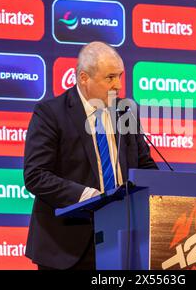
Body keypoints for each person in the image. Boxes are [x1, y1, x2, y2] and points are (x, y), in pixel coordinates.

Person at [23, 41, 158, 270]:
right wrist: (90, 196)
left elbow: (144, 165)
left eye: (120, 76)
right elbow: (36, 175)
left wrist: (163, 192)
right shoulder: (50, 113)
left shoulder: (126, 111)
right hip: (66, 247)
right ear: (84, 78)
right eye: (110, 78)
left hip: (122, 243)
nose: (118, 85)